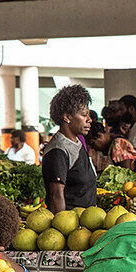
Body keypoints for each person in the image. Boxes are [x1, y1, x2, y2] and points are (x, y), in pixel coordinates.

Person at [41, 85, 96, 213]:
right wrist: (63, 229)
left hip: (86, 222)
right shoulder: (58, 151)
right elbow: (56, 195)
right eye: (84, 115)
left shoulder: (77, 142)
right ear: (67, 117)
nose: (89, 120)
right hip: (72, 227)